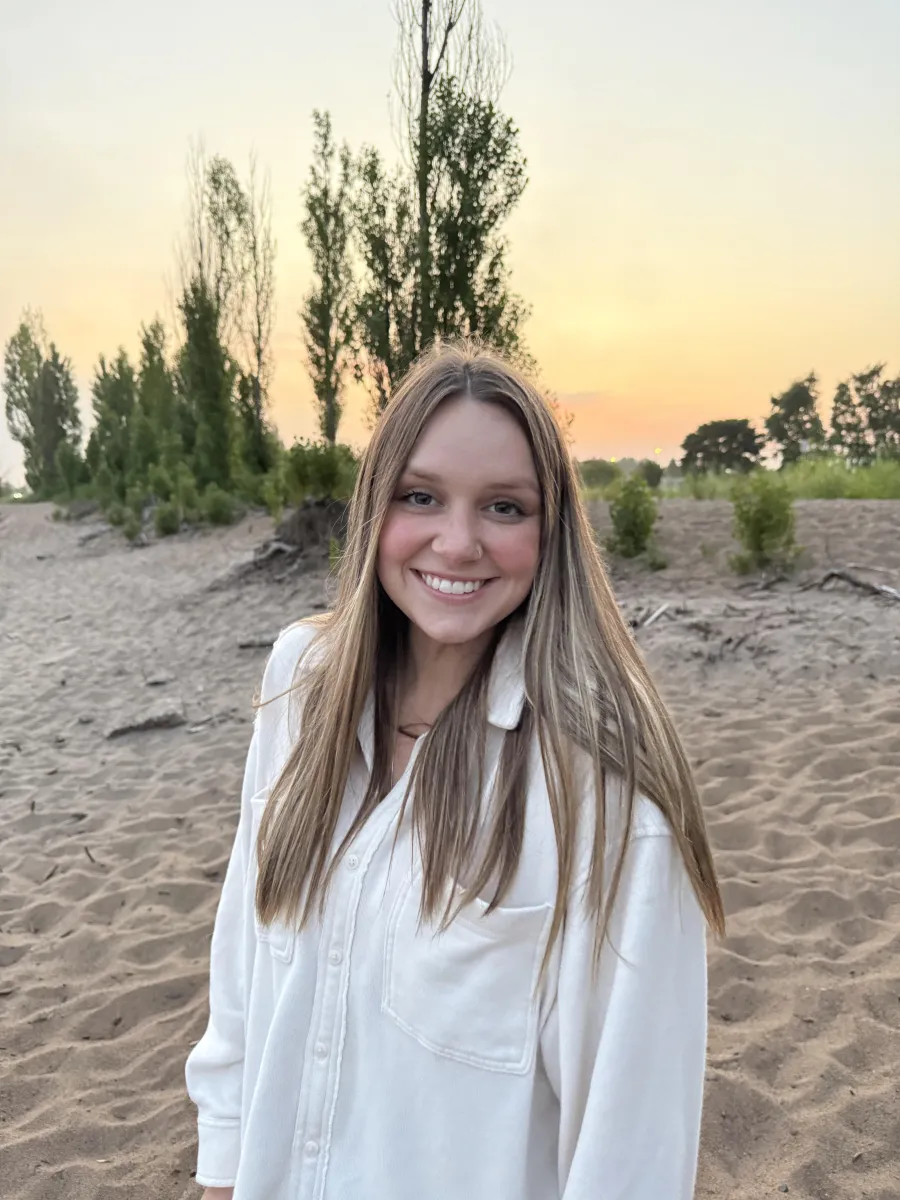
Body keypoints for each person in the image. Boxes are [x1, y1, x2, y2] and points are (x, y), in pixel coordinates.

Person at [185, 341, 725, 1200]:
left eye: (505, 507)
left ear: (551, 535)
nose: (459, 541)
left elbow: (632, 1140)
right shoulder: (301, 680)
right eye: (422, 496)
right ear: (375, 507)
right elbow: (245, 960)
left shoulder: (603, 787)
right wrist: (221, 1169)